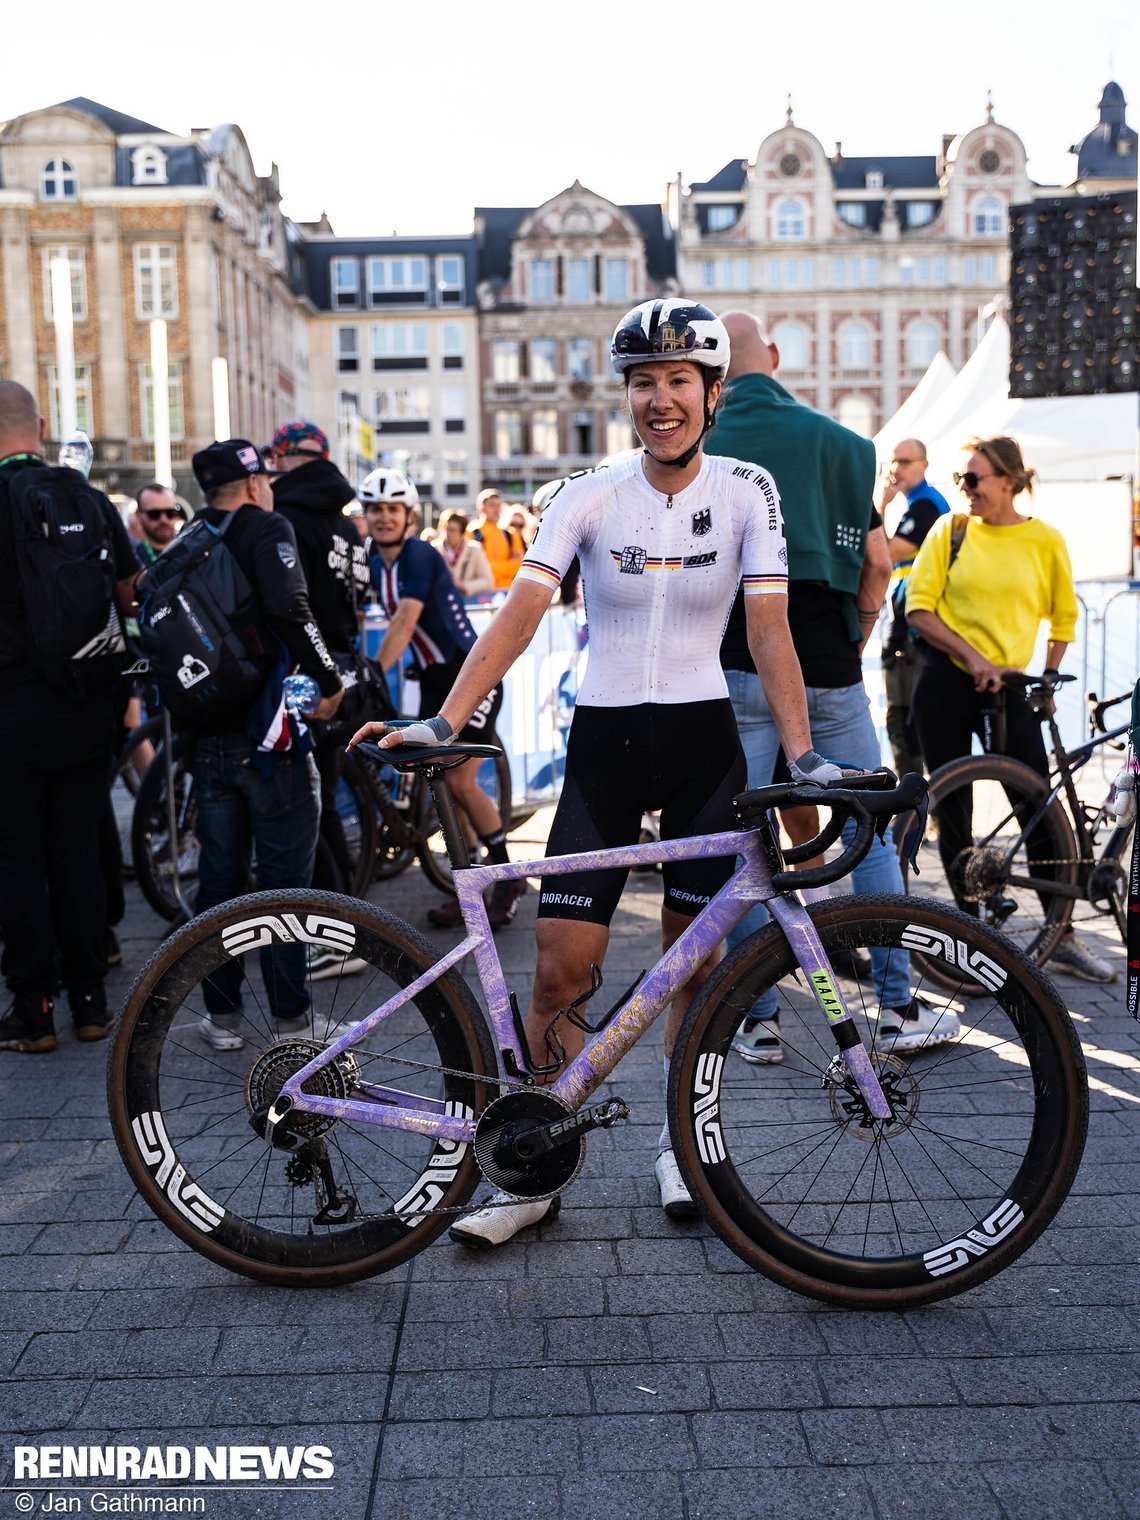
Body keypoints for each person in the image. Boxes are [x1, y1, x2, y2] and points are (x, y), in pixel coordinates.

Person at [352, 297, 842, 1245]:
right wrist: (445, 719)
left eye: (678, 381)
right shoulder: (587, 491)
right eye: (643, 383)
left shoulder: (749, 490)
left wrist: (805, 752)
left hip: (705, 745)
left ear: (712, 392)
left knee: (688, 971)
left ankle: (678, 1145)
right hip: (605, 750)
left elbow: (772, 632)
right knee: (558, 975)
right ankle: (533, 1170)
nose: (661, 400)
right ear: (627, 396)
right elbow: (520, 613)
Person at [709, 311, 953, 1058]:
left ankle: (757, 1021)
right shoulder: (848, 447)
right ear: (775, 358)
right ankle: (898, 1005)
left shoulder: (701, 444)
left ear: (714, 376)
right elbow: (879, 562)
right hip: (827, 658)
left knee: (743, 839)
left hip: (737, 659)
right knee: (866, 821)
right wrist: (863, 625)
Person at [906, 435, 1110, 982]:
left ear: (1009, 481)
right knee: (954, 814)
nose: (966, 489)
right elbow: (919, 609)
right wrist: (973, 657)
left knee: (1036, 807)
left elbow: (1063, 617)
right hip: (947, 683)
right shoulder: (949, 531)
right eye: (961, 479)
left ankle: (1060, 934)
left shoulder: (1044, 540)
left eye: (974, 479)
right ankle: (969, 942)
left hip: (1013, 687)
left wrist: (1045, 676)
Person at [186, 439, 345, 1049]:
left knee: (219, 884)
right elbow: (292, 610)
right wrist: (330, 681)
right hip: (270, 734)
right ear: (253, 483)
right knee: (284, 884)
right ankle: (293, 1018)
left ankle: (222, 1017)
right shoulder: (265, 526)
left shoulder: (192, 533)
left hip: (210, 736)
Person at [0, 381, 140, 1053]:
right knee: (80, 850)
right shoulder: (86, 497)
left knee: (19, 857)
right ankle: (90, 1002)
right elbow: (129, 593)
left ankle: (34, 1008)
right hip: (87, 700)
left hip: (11, 707)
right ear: (43, 426)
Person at [360, 468, 522, 931]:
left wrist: (373, 673)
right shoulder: (374, 559)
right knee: (448, 787)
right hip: (435, 679)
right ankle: (470, 887)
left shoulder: (419, 555)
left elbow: (405, 622)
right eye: (376, 509)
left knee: (463, 784)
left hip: (471, 675)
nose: (385, 517)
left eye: (393, 509)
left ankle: (509, 878)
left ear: (409, 515)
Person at [269, 420, 373, 963]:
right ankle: (349, 927)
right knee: (326, 806)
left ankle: (337, 936)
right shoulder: (345, 525)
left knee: (308, 811)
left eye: (276, 458)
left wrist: (320, 675)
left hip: (309, 675)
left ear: (287, 459)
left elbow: (291, 603)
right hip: (341, 668)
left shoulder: (286, 515)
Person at [879, 440, 949, 780]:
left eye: (905, 462)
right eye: (893, 462)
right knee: (906, 724)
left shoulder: (926, 506)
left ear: (924, 464)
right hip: (907, 631)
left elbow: (881, 553)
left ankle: (916, 809)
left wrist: (880, 504)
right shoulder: (916, 505)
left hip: (916, 634)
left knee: (909, 725)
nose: (896, 470)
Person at [469, 488, 524, 590]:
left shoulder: (511, 534)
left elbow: (519, 566)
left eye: (499, 505)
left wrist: (487, 566)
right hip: (480, 593)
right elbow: (473, 567)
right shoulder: (472, 533)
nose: (496, 509)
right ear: (482, 508)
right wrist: (507, 567)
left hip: (505, 592)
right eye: (492, 505)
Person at [436, 508, 494, 596]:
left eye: (453, 530)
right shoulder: (434, 549)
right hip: (440, 603)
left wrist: (464, 586)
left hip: (467, 603)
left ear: (462, 533)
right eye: (447, 529)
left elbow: (488, 581)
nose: (449, 534)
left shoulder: (475, 550)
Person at [133, 483, 185, 569]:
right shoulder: (133, 559)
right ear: (138, 515)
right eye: (154, 514)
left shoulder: (191, 551)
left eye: (170, 513)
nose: (163, 520)